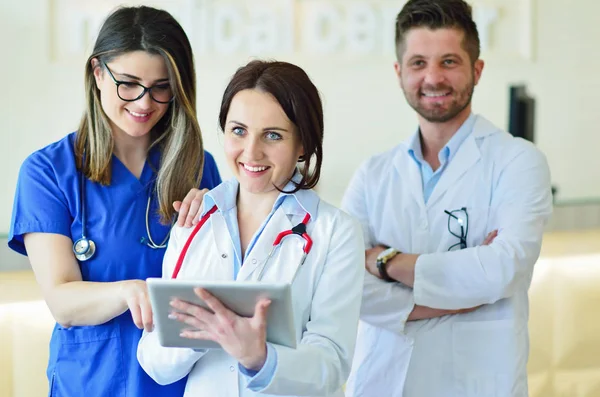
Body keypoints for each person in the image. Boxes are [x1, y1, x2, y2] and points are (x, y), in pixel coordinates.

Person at [8, 6, 221, 397]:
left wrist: (220, 224)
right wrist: (128, 291)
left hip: (183, 381)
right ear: (97, 73)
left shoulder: (198, 169)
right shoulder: (48, 172)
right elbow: (62, 300)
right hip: (93, 380)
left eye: (162, 86)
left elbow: (220, 288)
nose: (145, 102)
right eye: (129, 83)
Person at [342, 1, 553, 396]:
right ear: (399, 72)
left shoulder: (519, 161)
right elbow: (343, 285)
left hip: (474, 383)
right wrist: (459, 295)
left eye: (449, 62)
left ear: (477, 70)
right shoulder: (372, 174)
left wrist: (387, 262)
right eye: (418, 62)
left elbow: (502, 269)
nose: (433, 77)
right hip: (383, 382)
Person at [137, 60, 365, 397]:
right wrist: (203, 332)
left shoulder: (336, 232)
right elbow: (154, 361)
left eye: (273, 135)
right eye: (238, 131)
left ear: (303, 144)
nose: (251, 151)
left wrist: (260, 357)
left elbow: (331, 363)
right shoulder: (193, 219)